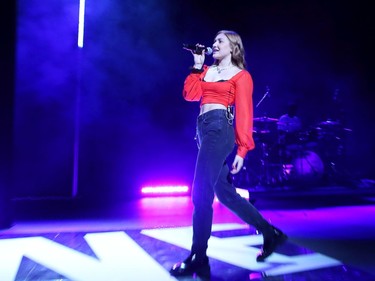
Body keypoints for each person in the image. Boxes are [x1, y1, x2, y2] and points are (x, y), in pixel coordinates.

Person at [170, 30, 287, 278]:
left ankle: (198, 257)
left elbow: (244, 112)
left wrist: (243, 149)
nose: (214, 44)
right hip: (203, 131)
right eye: (214, 41)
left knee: (201, 192)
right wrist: (197, 65)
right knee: (224, 193)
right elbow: (190, 95)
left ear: (233, 47)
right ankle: (270, 233)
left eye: (219, 41)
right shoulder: (206, 71)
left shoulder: (241, 76)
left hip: (220, 130)